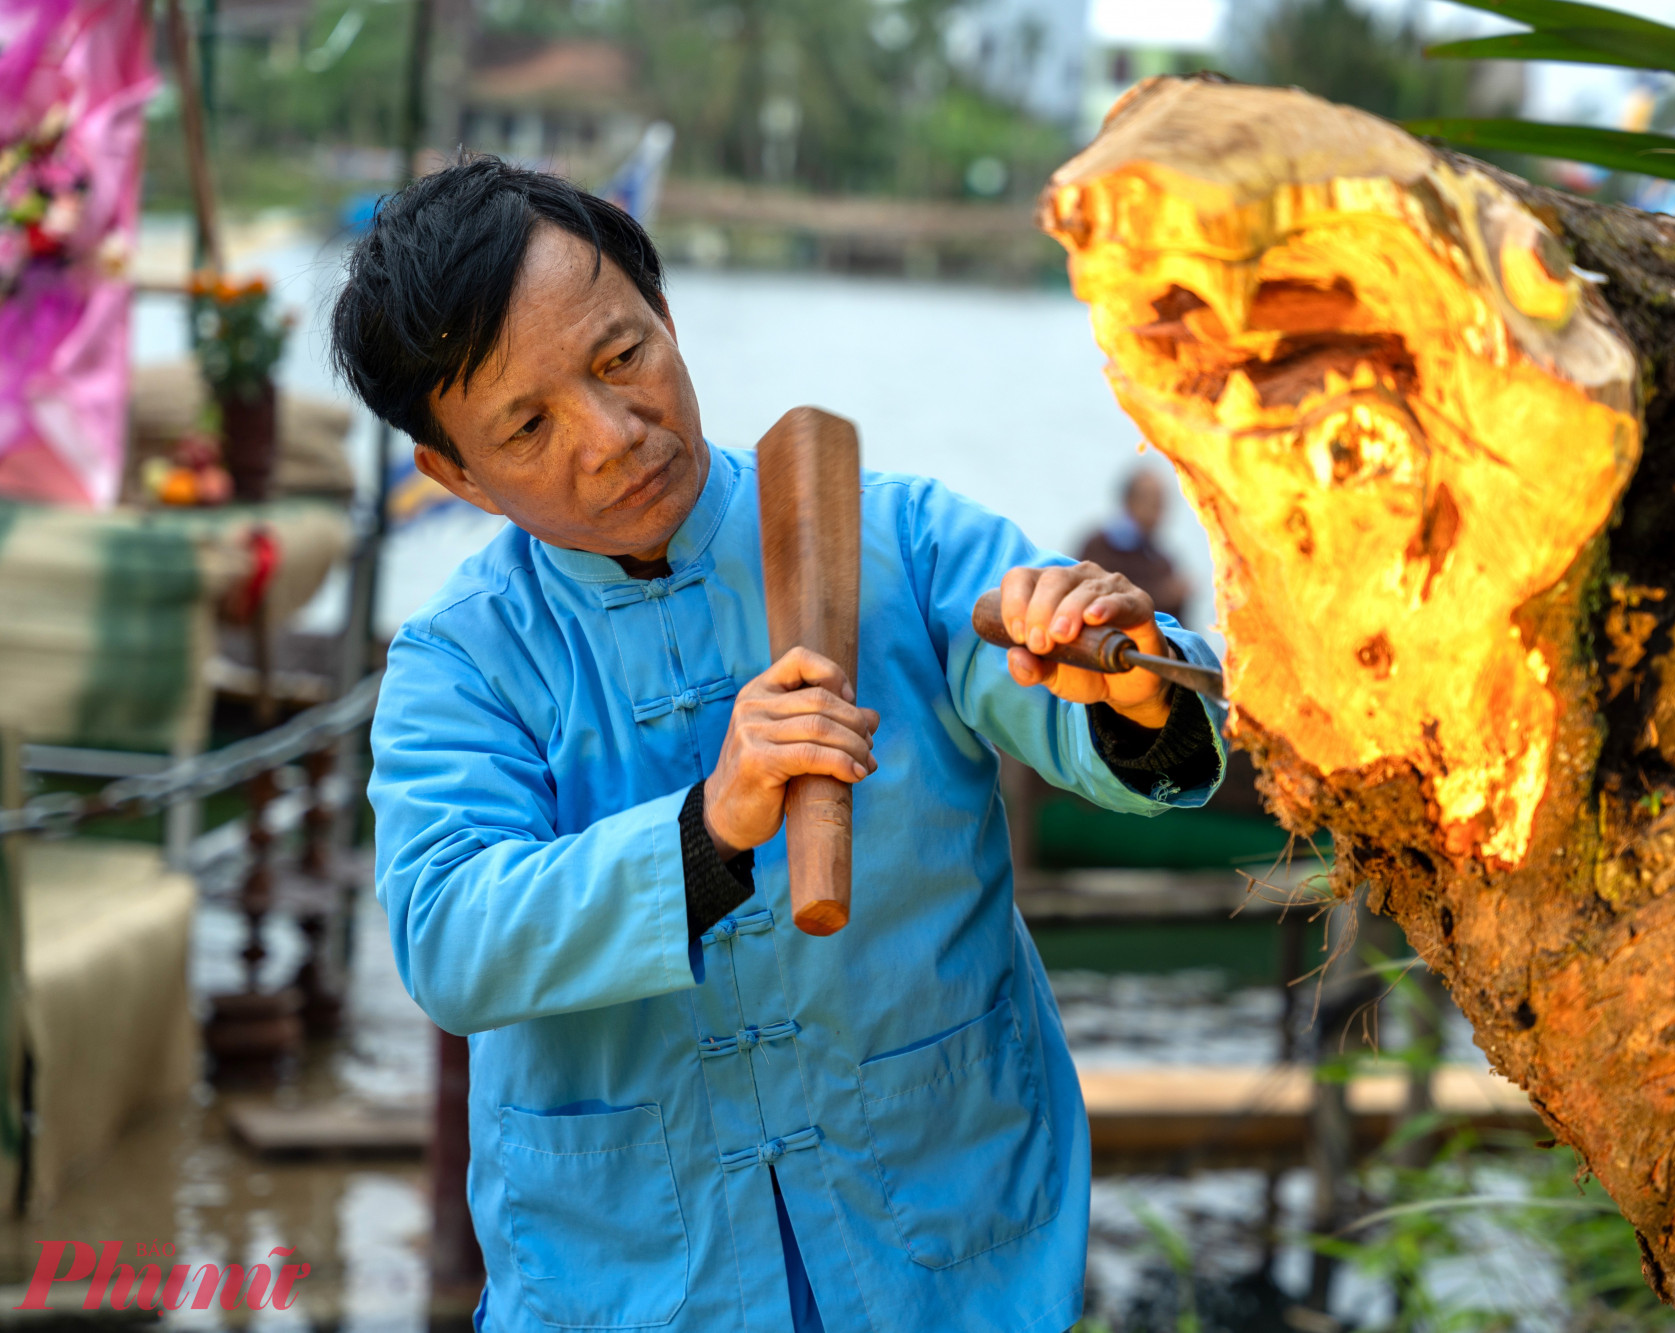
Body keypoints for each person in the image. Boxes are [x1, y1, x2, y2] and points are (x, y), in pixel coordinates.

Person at [333, 157, 1227, 1333]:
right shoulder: (461, 661)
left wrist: (1119, 678)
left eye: (622, 357)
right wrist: (708, 831)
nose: (611, 435)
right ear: (454, 474)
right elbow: (452, 940)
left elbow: (1083, 724)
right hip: (632, 1276)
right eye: (528, 424)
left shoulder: (898, 538)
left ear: (664, 314)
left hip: (948, 1242)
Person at [1078, 467, 1190, 624]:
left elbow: (1177, 628)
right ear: (1130, 501)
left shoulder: (1161, 560)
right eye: (1152, 503)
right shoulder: (1099, 546)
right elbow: (1095, 597)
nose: (1158, 512)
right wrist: (1164, 595)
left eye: (1161, 505)